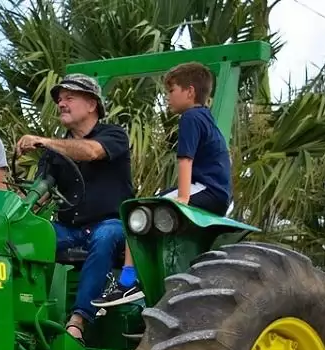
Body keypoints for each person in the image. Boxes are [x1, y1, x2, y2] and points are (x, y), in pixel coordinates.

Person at [91, 61, 233, 308]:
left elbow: (185, 159)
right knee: (148, 210)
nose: (167, 97)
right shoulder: (206, 119)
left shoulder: (190, 117)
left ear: (189, 91)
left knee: (137, 211)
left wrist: (184, 199)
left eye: (171, 90)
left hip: (206, 189)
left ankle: (127, 283)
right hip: (216, 192)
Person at [16, 74, 135, 345]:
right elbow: (40, 194)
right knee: (26, 238)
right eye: (60, 99)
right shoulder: (52, 152)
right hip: (69, 229)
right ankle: (27, 316)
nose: (61, 104)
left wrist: (45, 142)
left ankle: (78, 321)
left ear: (92, 104)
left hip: (111, 224)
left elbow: (91, 152)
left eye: (70, 98)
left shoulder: (113, 134)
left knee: (104, 237)